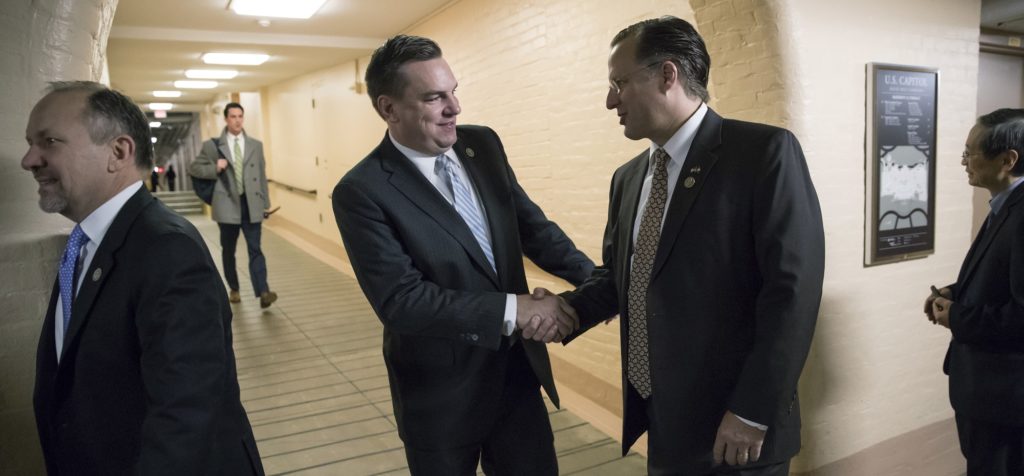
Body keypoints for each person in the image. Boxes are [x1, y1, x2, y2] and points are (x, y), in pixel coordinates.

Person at [556, 16, 825, 475]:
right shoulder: (628, 179)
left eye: (619, 82)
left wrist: (752, 411)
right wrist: (567, 311)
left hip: (736, 430)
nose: (609, 100)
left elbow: (791, 294)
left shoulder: (762, 153)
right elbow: (621, 276)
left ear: (667, 75)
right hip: (662, 419)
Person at [332, 35, 594, 475]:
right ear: (388, 108)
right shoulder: (362, 191)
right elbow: (402, 302)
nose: (455, 108)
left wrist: (593, 280)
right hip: (440, 396)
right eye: (434, 98)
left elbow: (532, 228)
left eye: (454, 91)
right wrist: (518, 309)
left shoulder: (483, 146)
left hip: (515, 378)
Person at [22, 81, 263, 475]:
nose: (29, 159)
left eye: (49, 141)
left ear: (118, 152)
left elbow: (184, 414)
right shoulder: (89, 242)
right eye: (31, 142)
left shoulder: (167, 249)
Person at [925, 108, 1024, 476]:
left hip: (1004, 398)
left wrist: (956, 316)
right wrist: (955, 292)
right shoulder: (1005, 205)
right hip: (987, 393)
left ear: (1007, 159)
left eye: (971, 152)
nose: (964, 161)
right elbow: (1002, 278)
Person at [189, 102, 277, 308]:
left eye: (240, 116)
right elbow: (194, 168)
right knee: (228, 250)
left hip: (251, 204)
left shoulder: (256, 145)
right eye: (233, 117)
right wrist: (215, 167)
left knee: (256, 249)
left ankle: (263, 291)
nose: (237, 120)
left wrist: (266, 202)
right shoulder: (213, 145)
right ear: (226, 119)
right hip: (227, 204)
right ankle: (234, 289)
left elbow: (261, 175)